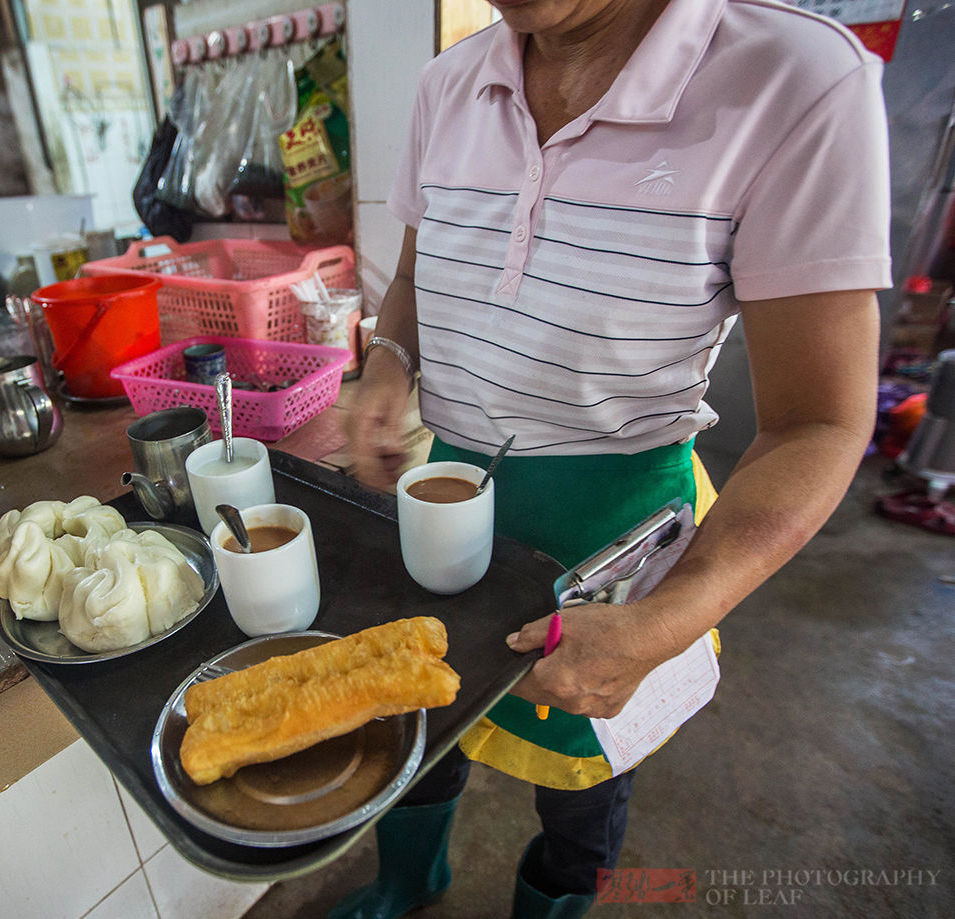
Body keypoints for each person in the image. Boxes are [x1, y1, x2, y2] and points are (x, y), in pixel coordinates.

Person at [339, 1, 889, 917]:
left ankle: (554, 903)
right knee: (421, 717)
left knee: (585, 777)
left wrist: (670, 619)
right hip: (448, 505)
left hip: (617, 543)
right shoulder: (448, 84)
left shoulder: (795, 79)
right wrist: (388, 368)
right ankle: (408, 879)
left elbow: (819, 425)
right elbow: (413, 275)